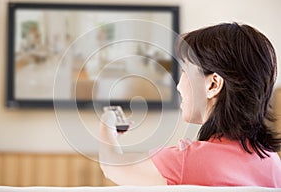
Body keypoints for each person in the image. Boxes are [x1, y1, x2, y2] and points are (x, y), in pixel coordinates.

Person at [98, 22, 281, 187]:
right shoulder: (271, 161)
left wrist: (107, 124)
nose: (178, 86)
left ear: (213, 85)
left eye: (185, 72)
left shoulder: (187, 161)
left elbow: (112, 166)